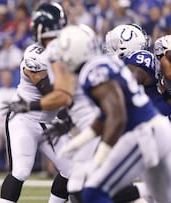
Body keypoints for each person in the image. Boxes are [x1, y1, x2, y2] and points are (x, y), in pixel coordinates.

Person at [55, 24, 171, 203]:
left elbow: (117, 114)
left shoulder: (102, 70)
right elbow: (107, 113)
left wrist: (100, 157)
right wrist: (82, 139)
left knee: (94, 190)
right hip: (149, 130)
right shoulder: (105, 66)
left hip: (145, 132)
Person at [0, 2, 73, 203]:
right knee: (21, 171)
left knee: (71, 171)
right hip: (25, 118)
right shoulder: (35, 55)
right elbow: (52, 93)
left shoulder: (66, 50)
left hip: (50, 119)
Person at [104, 23, 171, 118]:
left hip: (157, 119)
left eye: (113, 46)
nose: (109, 50)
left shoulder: (136, 60)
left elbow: (135, 75)